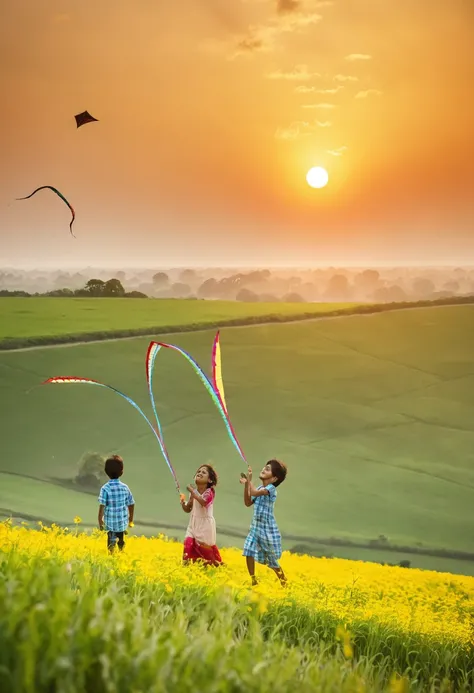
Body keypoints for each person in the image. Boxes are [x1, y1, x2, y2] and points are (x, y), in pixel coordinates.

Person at [240, 460, 287, 586]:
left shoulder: (270, 489)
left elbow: (254, 493)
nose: (263, 470)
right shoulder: (260, 488)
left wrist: (249, 480)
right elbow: (248, 502)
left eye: (267, 469)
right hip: (255, 527)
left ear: (274, 478)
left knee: (271, 560)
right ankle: (253, 580)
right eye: (264, 467)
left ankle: (284, 581)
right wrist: (246, 485)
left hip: (267, 529)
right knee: (248, 550)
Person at [181, 464, 222, 567]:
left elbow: (204, 502)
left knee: (205, 557)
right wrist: (183, 503)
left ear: (210, 480)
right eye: (198, 472)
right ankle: (184, 568)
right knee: (187, 545)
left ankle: (217, 565)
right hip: (193, 524)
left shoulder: (210, 492)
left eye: (203, 472)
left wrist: (192, 491)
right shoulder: (193, 493)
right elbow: (188, 508)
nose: (199, 473)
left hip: (205, 527)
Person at [98, 455, 135, 553]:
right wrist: (130, 520)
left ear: (106, 471)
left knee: (111, 541)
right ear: (122, 471)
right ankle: (121, 550)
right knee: (121, 538)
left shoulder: (105, 488)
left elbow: (102, 506)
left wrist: (100, 521)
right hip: (122, 523)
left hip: (110, 523)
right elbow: (131, 503)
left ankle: (112, 555)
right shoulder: (125, 488)